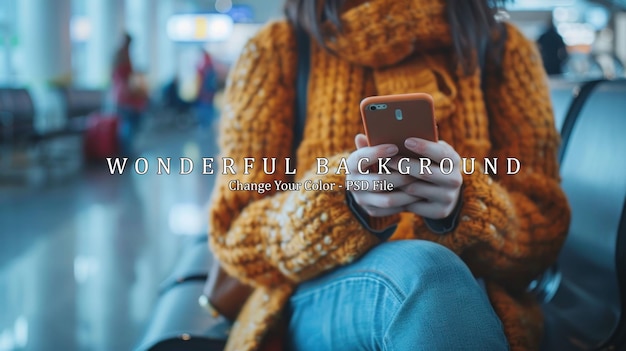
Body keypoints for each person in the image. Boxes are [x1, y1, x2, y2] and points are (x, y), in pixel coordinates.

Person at [207, 0, 571, 350]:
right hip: (320, 297)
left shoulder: (504, 50)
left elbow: (544, 229)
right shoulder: (276, 50)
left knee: (433, 278)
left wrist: (469, 207)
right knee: (430, 275)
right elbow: (235, 230)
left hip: (472, 295)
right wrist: (338, 203)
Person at [111, 33, 148, 155]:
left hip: (120, 97)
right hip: (125, 98)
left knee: (128, 124)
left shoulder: (120, 55)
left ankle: (126, 151)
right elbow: (127, 79)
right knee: (128, 124)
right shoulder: (124, 56)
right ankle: (126, 152)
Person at [193, 49, 218, 129]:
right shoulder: (211, 66)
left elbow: (199, 81)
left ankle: (204, 127)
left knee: (204, 110)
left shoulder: (203, 67)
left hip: (204, 94)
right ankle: (208, 126)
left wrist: (197, 92)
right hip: (210, 94)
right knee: (209, 110)